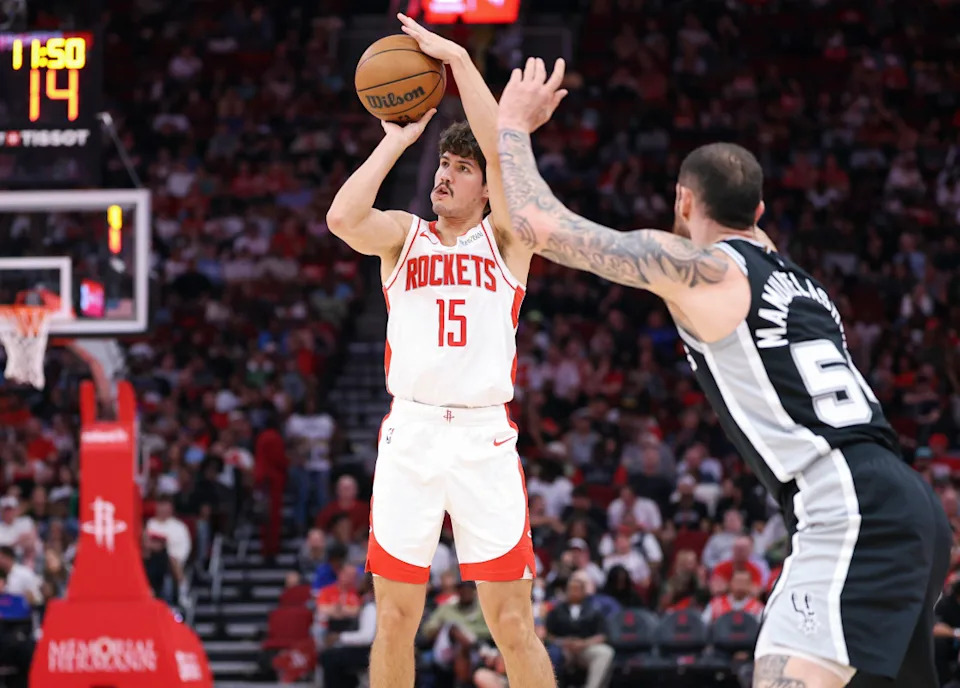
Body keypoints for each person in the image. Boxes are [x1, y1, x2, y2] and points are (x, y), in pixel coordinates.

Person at [495, 57, 951, 688]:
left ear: (683, 201)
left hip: (844, 501)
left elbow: (538, 225)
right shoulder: (807, 287)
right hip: (909, 499)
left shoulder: (707, 270)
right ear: (760, 210)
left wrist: (511, 126)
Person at [325, 15, 553, 688]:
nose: (447, 177)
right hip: (414, 433)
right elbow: (342, 218)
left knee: (512, 622)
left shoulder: (508, 240)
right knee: (394, 619)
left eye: (461, 168)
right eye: (444, 167)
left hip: (484, 436)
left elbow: (502, 151)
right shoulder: (404, 236)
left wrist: (456, 58)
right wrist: (396, 142)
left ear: (487, 186)